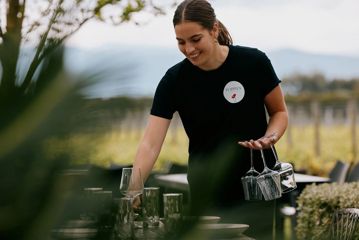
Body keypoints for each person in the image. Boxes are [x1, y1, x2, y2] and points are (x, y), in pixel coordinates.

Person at [133, 0, 288, 236]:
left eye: (195, 39)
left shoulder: (253, 62)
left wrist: (271, 136)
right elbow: (150, 143)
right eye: (180, 42)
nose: (188, 49)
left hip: (260, 183)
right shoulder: (174, 81)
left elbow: (279, 112)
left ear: (213, 29)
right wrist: (135, 186)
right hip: (207, 189)